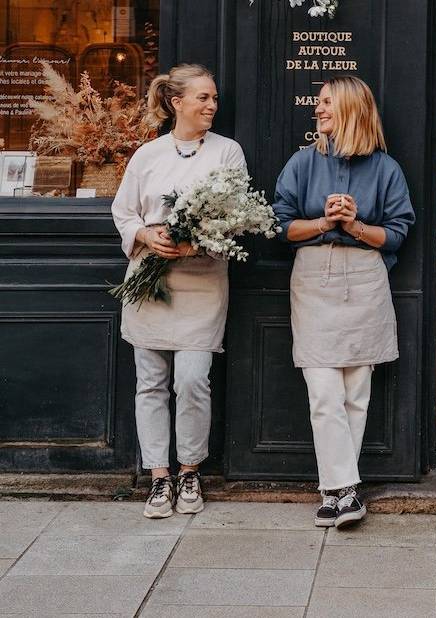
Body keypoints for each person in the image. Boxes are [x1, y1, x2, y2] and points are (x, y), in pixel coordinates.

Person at [273, 75, 415, 528]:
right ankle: (346, 489)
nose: (319, 110)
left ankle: (336, 494)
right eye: (319, 103)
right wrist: (322, 222)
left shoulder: (386, 169)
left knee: (356, 391)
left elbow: (396, 233)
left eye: (327, 103)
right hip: (315, 277)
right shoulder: (301, 163)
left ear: (352, 108)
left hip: (365, 279)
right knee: (324, 391)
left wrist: (354, 225)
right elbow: (281, 226)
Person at [111, 64, 247, 518]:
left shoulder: (228, 152)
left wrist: (194, 242)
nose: (212, 105)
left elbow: (237, 214)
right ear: (177, 103)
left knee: (192, 380)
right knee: (150, 383)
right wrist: (148, 237)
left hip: (203, 281)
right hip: (150, 281)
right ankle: (159, 478)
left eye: (213, 98)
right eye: (203, 98)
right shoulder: (148, 155)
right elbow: (124, 212)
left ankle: (190, 470)